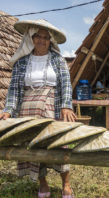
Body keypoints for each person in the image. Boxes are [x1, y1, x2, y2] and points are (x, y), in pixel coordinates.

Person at [0, 19, 76, 198]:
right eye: (38, 36)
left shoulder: (58, 60)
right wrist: (8, 109)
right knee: (33, 145)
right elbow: (14, 90)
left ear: (51, 41)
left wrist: (65, 105)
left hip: (52, 106)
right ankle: (42, 182)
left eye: (46, 37)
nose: (42, 40)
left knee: (58, 144)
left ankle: (66, 183)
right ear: (31, 38)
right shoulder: (22, 63)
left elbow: (65, 84)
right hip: (27, 108)